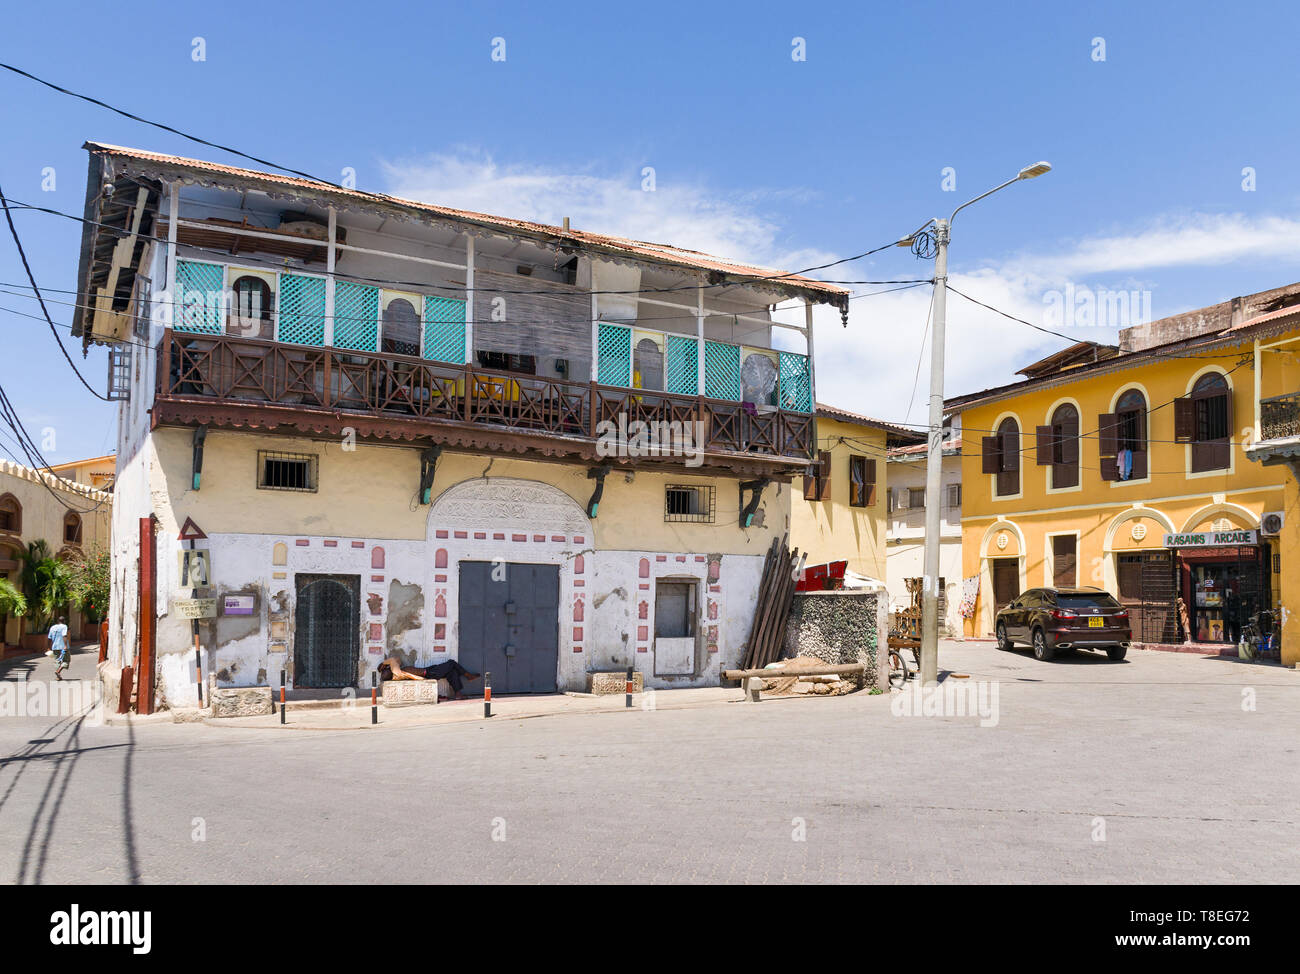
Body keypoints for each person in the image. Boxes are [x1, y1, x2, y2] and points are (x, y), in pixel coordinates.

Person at [377, 657, 480, 700]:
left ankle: (458, 694)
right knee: (451, 663)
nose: (386, 669)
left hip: (429, 671)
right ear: (390, 671)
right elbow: (394, 660)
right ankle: (468, 675)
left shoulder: (397, 675)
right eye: (386, 670)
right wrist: (384, 663)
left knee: (451, 671)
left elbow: (397, 661)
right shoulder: (396, 672)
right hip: (429, 674)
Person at [47, 615, 70, 681]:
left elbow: (49, 638)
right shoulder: (64, 626)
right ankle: (58, 671)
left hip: (55, 647)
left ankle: (58, 676)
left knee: (57, 661)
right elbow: (64, 635)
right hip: (63, 647)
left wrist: (48, 647)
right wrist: (65, 645)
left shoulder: (53, 627)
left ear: (58, 621)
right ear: (64, 621)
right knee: (66, 660)